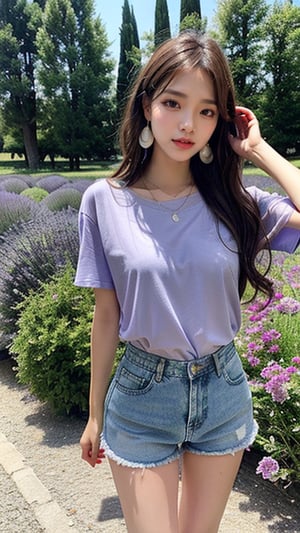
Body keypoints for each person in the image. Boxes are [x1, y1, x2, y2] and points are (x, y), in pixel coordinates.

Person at [75, 31, 300, 533]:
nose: (187, 124)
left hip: (221, 388)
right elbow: (107, 313)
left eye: (207, 111)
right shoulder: (103, 202)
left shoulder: (235, 203)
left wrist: (259, 150)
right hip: (140, 395)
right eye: (174, 102)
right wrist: (94, 415)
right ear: (147, 104)